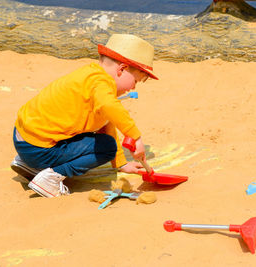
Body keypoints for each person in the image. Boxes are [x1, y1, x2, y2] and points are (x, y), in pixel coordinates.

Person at [10, 34, 158, 198]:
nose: (133, 88)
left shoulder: (90, 76)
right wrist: (135, 137)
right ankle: (50, 178)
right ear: (121, 69)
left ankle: (31, 166)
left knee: (100, 139)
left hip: (24, 140)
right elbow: (110, 107)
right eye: (135, 81)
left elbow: (107, 122)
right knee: (107, 148)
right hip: (39, 150)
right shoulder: (101, 85)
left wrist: (121, 164)